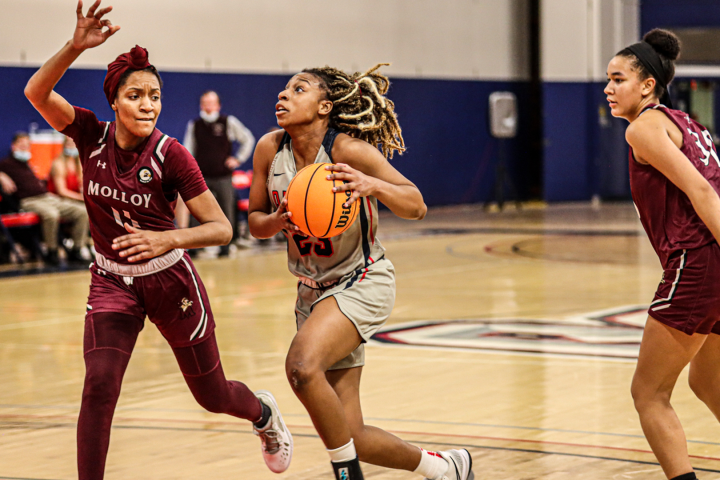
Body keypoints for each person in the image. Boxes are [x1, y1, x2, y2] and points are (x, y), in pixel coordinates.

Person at [23, 1, 292, 478]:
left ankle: (262, 413)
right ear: (114, 101)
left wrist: (166, 240)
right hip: (111, 281)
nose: (148, 104)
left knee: (212, 396)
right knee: (98, 388)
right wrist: (74, 47)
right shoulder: (90, 135)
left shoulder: (172, 154)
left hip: (170, 280)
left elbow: (222, 228)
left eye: (155, 96)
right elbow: (36, 92)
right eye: (135, 95)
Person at [248, 64, 474, 480]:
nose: (283, 95)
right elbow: (254, 223)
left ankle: (346, 475)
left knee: (301, 367)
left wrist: (373, 186)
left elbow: (416, 205)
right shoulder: (269, 148)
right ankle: (445, 467)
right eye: (284, 89)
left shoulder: (348, 151)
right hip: (312, 292)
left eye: (298, 89)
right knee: (351, 432)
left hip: (361, 280)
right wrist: (277, 221)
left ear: (324, 107)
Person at [606, 29, 720, 480]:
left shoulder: (644, 128)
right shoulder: (688, 122)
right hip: (711, 261)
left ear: (647, 85)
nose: (608, 88)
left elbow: (701, 192)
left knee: (648, 393)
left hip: (698, 261)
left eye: (618, 79)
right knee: (708, 380)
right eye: (608, 79)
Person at [183, 90, 255, 256]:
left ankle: (226, 246)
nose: (208, 106)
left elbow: (248, 139)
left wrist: (238, 159)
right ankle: (195, 245)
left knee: (226, 210)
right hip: (201, 177)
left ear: (218, 105)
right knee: (196, 210)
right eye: (205, 103)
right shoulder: (194, 125)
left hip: (223, 176)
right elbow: (187, 150)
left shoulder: (228, 122)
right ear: (201, 105)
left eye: (212, 102)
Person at [0, 131, 90, 265]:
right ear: (13, 146)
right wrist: (1, 175)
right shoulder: (5, 163)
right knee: (51, 214)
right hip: (28, 201)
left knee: (82, 211)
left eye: (27, 145)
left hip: (47, 197)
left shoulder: (27, 164)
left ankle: (77, 249)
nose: (24, 148)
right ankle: (51, 251)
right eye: (21, 145)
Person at [48, 136, 84, 202]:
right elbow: (61, 191)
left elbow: (82, 185)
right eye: (69, 144)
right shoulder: (58, 164)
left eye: (74, 144)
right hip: (59, 199)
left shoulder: (79, 164)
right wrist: (81, 198)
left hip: (73, 198)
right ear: (64, 145)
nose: (72, 146)